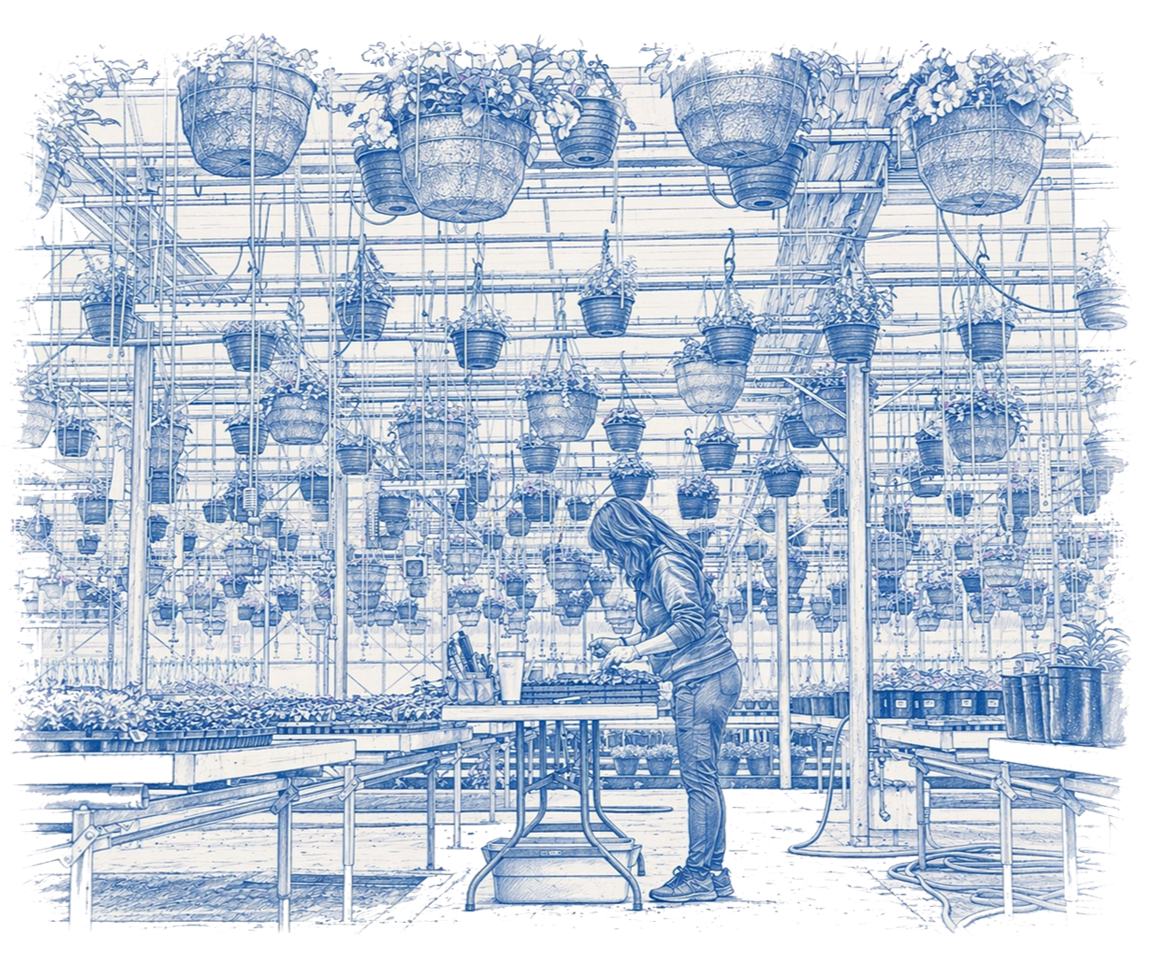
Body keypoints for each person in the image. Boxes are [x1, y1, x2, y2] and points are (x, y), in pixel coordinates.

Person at [587, 497, 742, 903]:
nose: (611, 559)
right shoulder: (660, 565)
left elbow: (689, 623)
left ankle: (696, 877)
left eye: (611, 548)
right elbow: (668, 624)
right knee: (705, 780)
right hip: (710, 675)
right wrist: (623, 644)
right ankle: (712, 875)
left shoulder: (665, 564)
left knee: (698, 781)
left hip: (701, 679)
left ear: (625, 538)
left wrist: (634, 653)